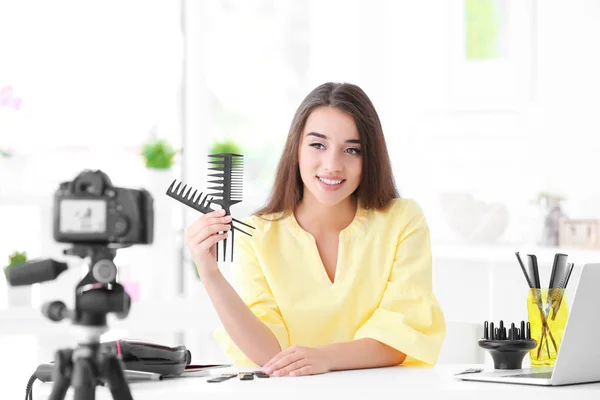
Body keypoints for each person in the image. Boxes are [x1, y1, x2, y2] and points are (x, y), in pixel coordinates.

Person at [184, 82, 446, 377]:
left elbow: (402, 336)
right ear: (295, 149)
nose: (332, 164)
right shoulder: (258, 234)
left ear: (369, 157)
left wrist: (324, 358)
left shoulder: (402, 220)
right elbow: (268, 354)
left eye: (352, 150)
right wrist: (209, 273)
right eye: (317, 145)